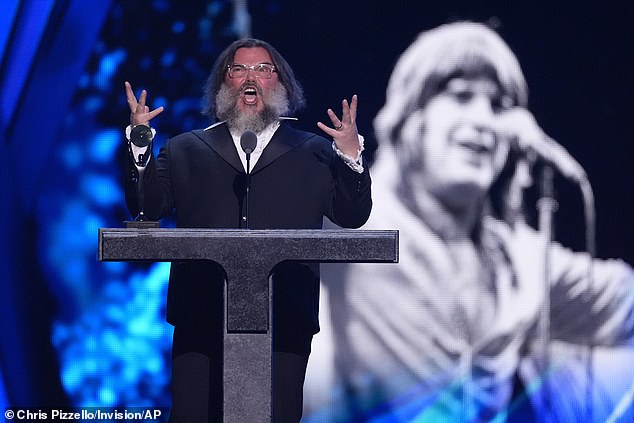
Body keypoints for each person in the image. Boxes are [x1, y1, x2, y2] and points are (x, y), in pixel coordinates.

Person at [306, 22, 634, 422]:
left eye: (498, 106)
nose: (483, 121)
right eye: (461, 97)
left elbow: (624, 299)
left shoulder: (520, 258)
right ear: (412, 118)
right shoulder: (351, 225)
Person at [123, 38, 372, 423]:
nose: (249, 78)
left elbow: (352, 216)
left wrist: (351, 156)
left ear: (282, 85)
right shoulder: (187, 149)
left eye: (262, 69)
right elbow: (146, 208)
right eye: (238, 69)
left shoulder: (314, 152)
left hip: (284, 319)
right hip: (200, 316)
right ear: (224, 84)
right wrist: (141, 144)